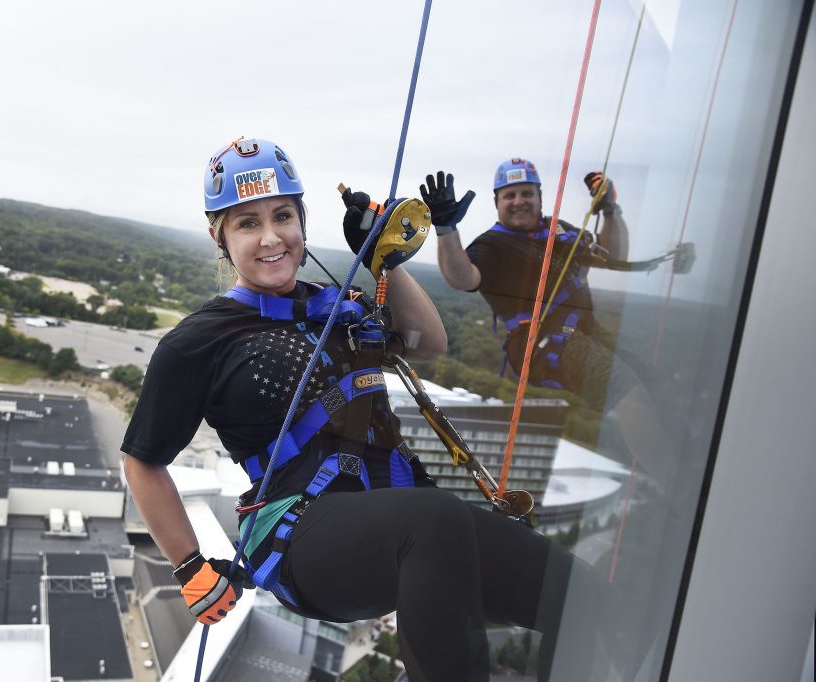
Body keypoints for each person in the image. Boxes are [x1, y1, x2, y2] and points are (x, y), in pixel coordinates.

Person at [121, 139, 601, 681]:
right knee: (434, 517)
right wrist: (189, 566)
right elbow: (143, 459)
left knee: (586, 600)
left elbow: (427, 343)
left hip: (407, 524)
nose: (272, 237)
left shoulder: (339, 305)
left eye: (283, 216)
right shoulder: (202, 339)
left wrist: (380, 260)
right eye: (247, 224)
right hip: (301, 536)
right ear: (220, 238)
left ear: (302, 222)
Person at [425, 160, 675, 479]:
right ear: (497, 203)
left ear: (540, 197)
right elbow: (463, 278)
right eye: (510, 195)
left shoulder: (558, 230)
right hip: (543, 343)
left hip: (586, 332)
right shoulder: (493, 245)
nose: (519, 201)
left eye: (526, 193)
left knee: (659, 386)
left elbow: (614, 253)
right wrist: (446, 229)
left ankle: (688, 462)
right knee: (630, 394)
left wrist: (611, 211)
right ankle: (676, 485)